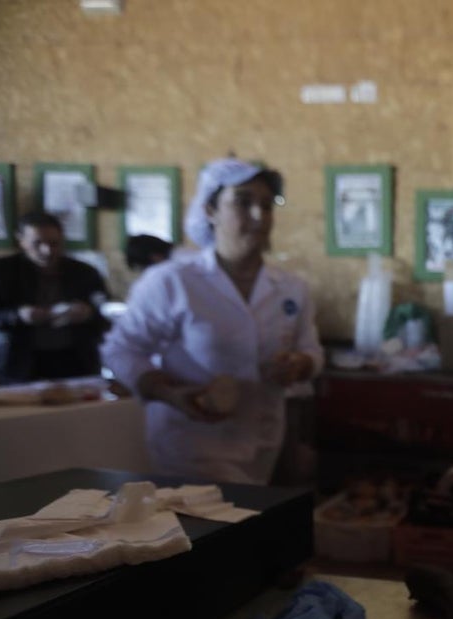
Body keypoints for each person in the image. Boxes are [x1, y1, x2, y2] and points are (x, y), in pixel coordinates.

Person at [101, 158, 324, 484]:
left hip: (263, 439)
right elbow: (121, 350)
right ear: (210, 210)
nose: (259, 216)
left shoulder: (290, 288)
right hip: (192, 444)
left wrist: (299, 364)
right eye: (243, 202)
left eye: (266, 204)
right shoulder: (173, 282)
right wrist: (166, 392)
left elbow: (311, 350)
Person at [0, 211, 110, 383]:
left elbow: (106, 314)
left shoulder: (85, 273)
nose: (47, 251)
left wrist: (89, 313)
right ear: (21, 240)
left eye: (54, 243)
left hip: (76, 361)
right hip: (17, 362)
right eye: (37, 243)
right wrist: (17, 315)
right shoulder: (0, 272)